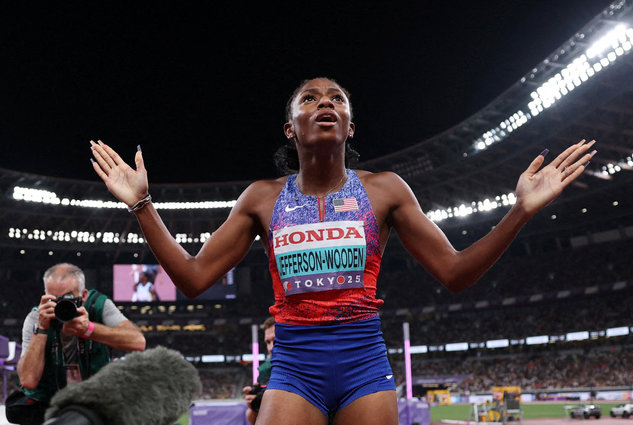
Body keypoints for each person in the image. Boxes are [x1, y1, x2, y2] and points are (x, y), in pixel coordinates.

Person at [89, 77, 596, 425]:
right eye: (309, 99)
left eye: (336, 98)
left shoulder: (385, 191)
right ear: (291, 127)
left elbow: (456, 272)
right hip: (293, 366)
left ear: (350, 124)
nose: (324, 103)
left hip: (364, 365)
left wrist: (520, 211)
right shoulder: (262, 199)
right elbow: (194, 278)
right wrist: (142, 206)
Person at [16, 263, 146, 424]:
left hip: (96, 404)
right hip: (50, 407)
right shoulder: (37, 317)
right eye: (54, 298)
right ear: (45, 295)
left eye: (68, 298)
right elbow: (28, 380)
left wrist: (90, 329)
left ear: (83, 296)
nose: (60, 305)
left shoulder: (98, 305)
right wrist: (42, 328)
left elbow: (137, 341)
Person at [242, 316, 275, 425]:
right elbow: (252, 419)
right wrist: (253, 405)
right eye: (268, 342)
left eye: (275, 341)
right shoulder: (265, 370)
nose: (270, 348)